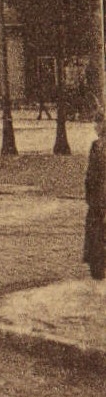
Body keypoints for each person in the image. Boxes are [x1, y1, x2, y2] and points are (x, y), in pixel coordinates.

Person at [82, 111, 106, 282]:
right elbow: (91, 174)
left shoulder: (98, 146)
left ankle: (98, 266)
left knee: (98, 230)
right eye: (95, 122)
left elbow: (94, 173)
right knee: (96, 229)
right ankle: (97, 266)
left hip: (101, 195)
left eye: (98, 122)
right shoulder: (96, 145)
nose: (95, 126)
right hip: (97, 196)